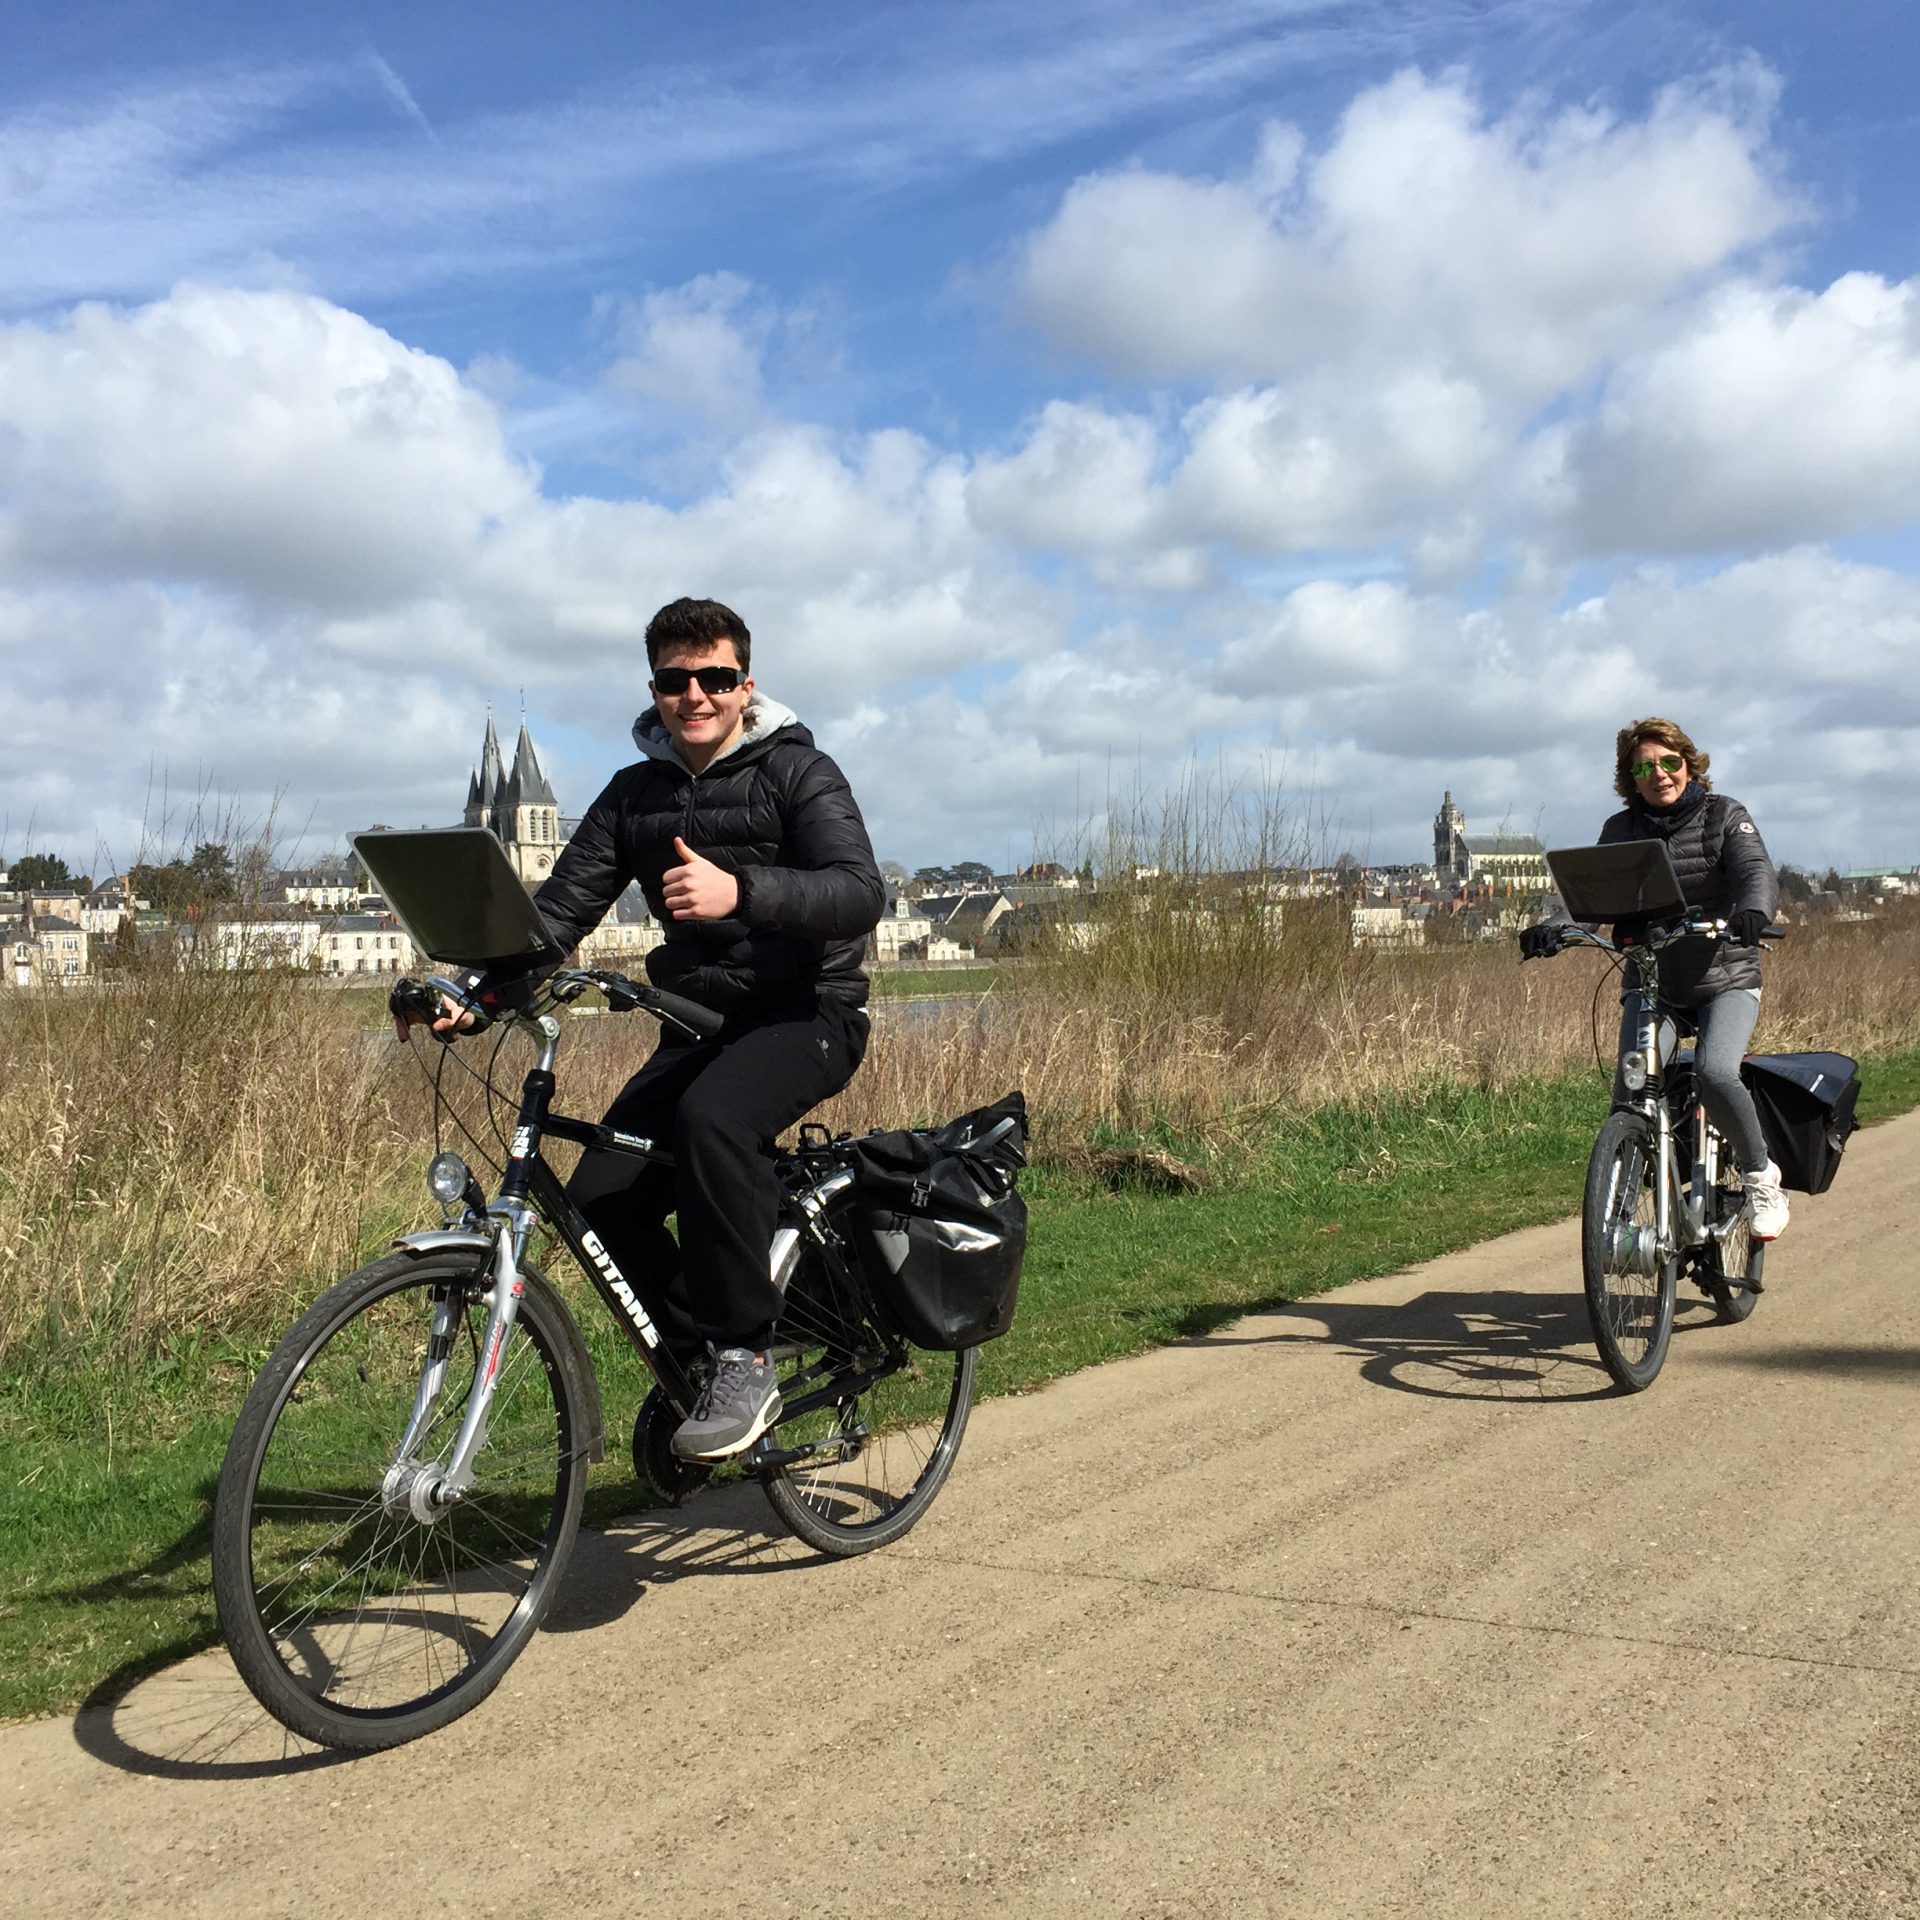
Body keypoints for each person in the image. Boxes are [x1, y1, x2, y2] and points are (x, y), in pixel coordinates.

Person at [416, 597, 885, 1459]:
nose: (695, 696)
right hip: (695, 1024)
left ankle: (745, 1358)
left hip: (805, 1015)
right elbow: (557, 916)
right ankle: (700, 1367)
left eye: (714, 678)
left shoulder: (799, 773)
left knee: (716, 1120)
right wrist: (471, 991)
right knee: (598, 1201)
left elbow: (860, 892)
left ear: (747, 685)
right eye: (677, 680)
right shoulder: (635, 796)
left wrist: (744, 891)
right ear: (656, 690)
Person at [1521, 716, 1788, 1241]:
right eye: (1644, 766)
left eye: (1669, 762)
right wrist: (1552, 930)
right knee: (1631, 1085)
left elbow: (1756, 872)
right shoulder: (1620, 831)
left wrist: (1754, 912)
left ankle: (1761, 1176)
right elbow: (1591, 904)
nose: (1659, 774)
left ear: (1688, 764)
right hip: (1652, 982)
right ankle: (1618, 1219)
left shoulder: (1724, 815)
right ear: (1631, 776)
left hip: (1724, 973)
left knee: (1715, 1071)